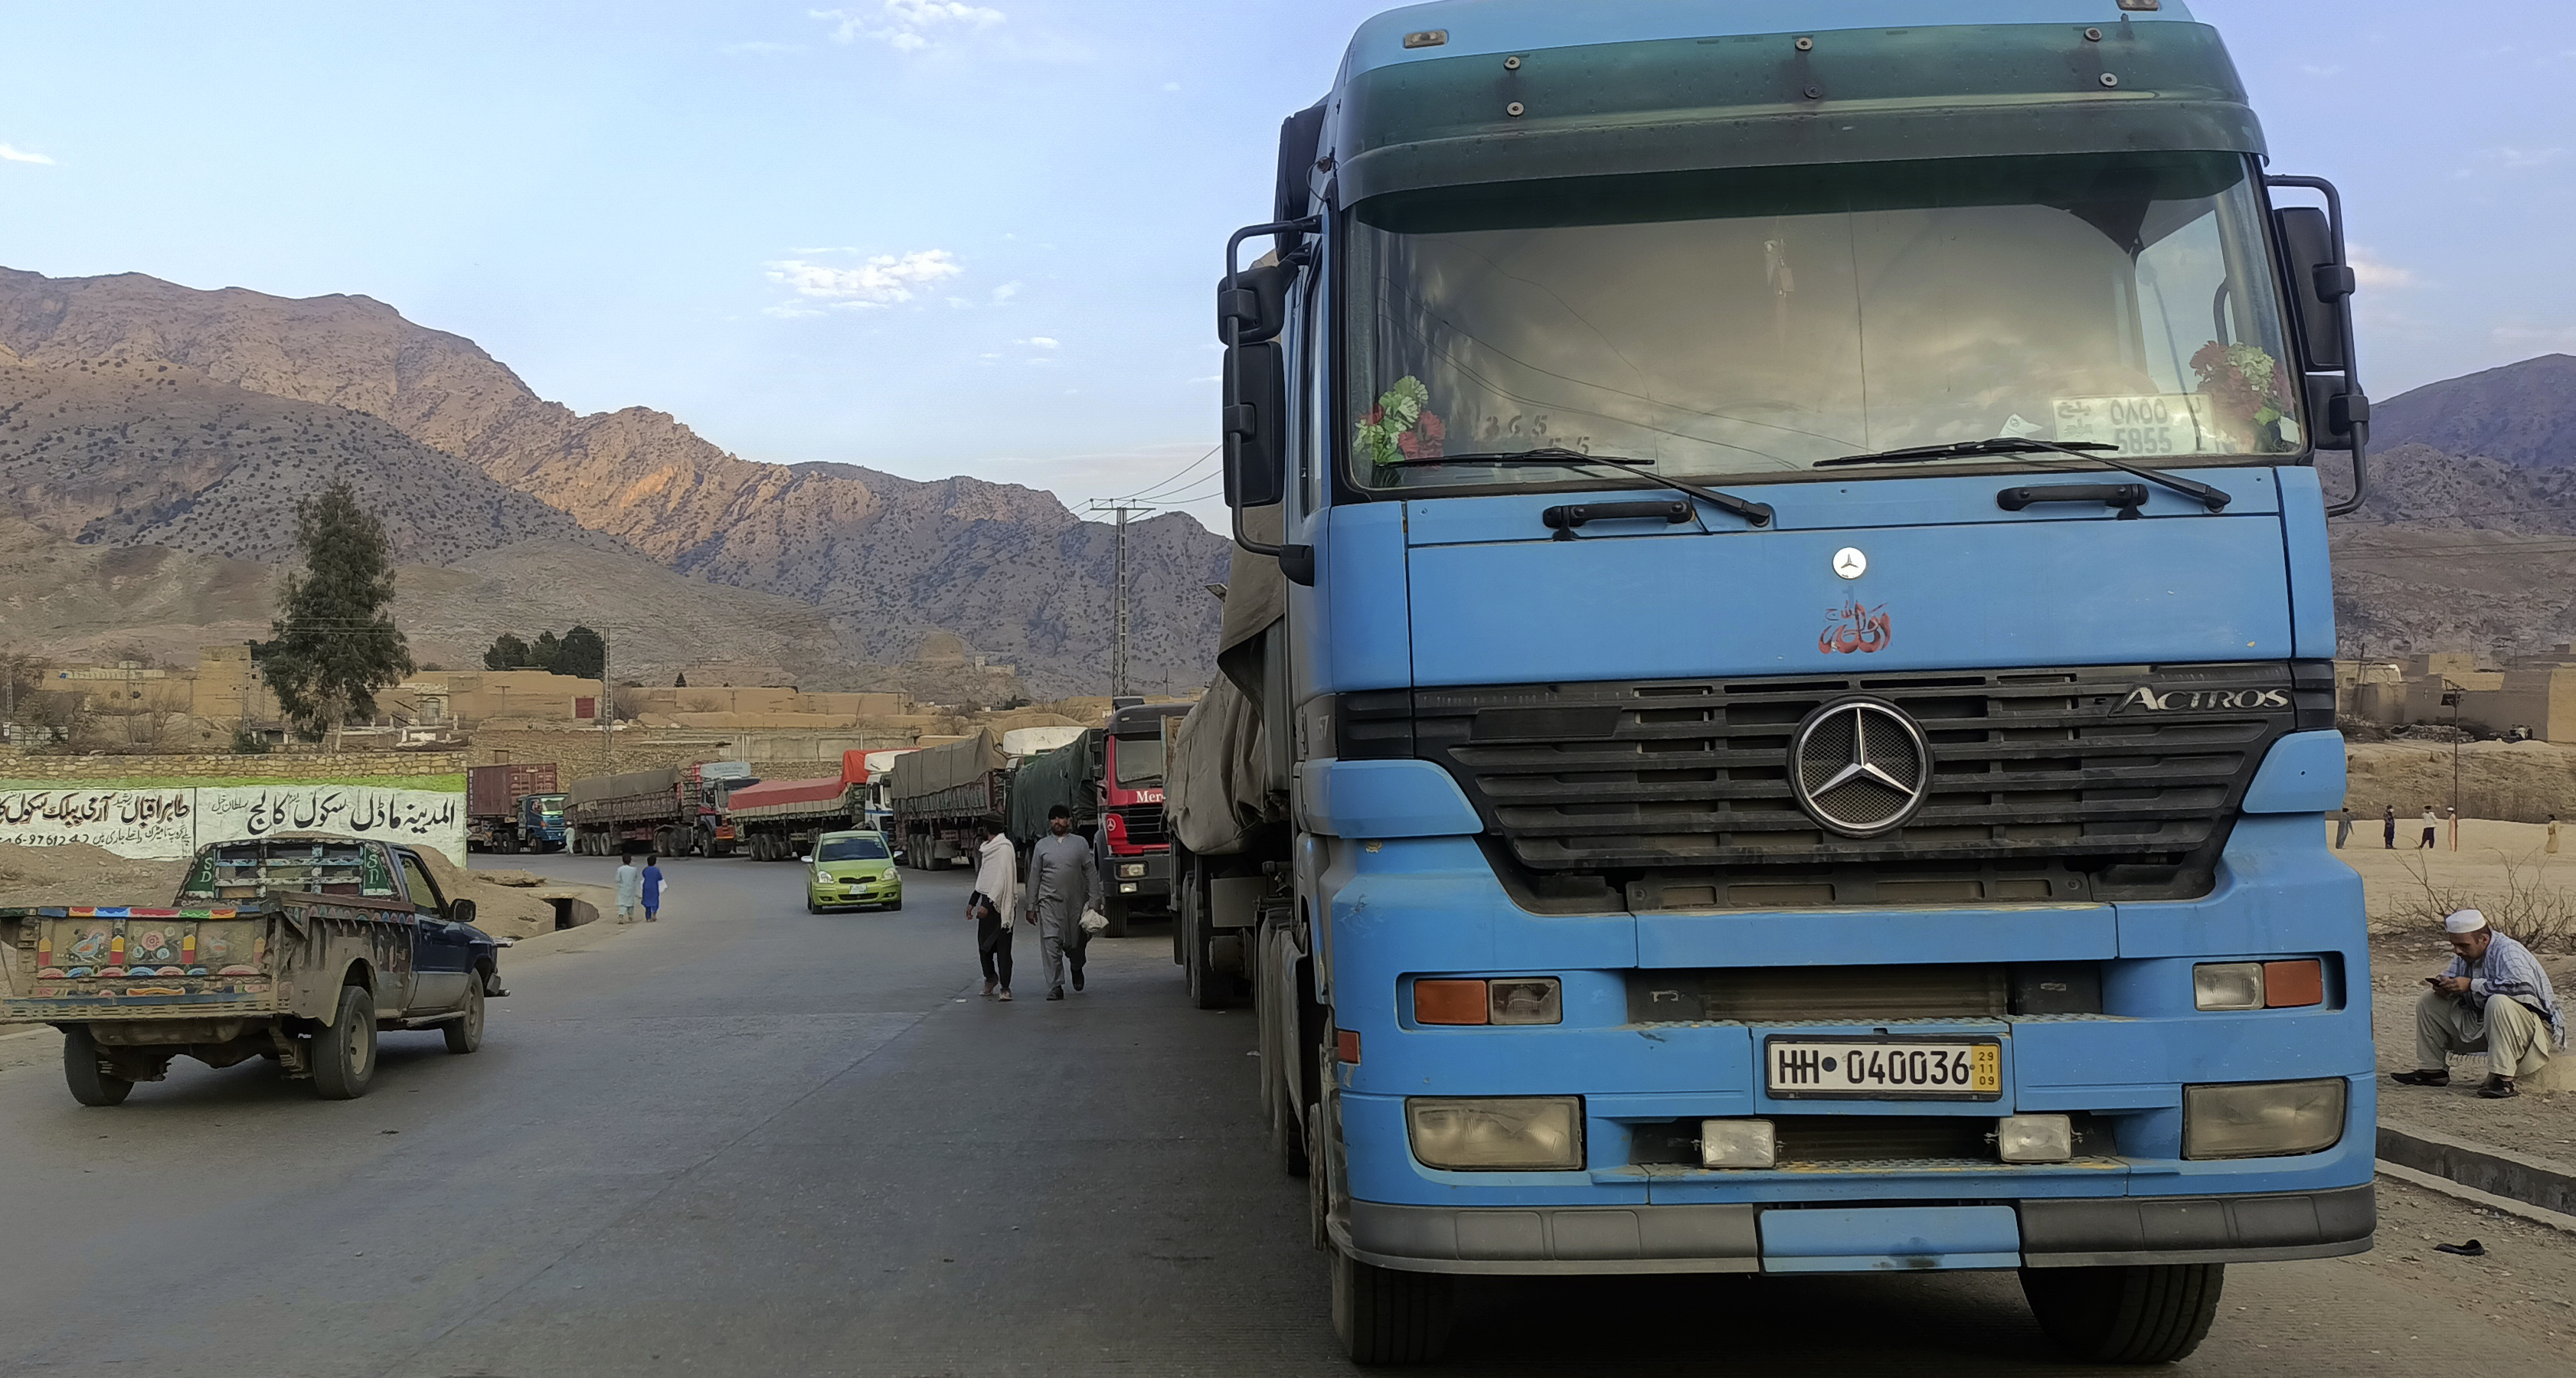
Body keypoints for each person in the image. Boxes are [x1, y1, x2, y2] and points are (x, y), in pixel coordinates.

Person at [2392, 908, 2565, 1099]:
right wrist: (2445, 984)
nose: (2458, 951)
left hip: (2533, 1031)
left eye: (2463, 946)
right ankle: (2432, 1071)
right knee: (2429, 1000)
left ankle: (2503, 1080)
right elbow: (2453, 975)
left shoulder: (2509, 951)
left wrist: (2471, 985)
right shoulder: (2467, 955)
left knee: (2498, 1001)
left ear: (2483, 939)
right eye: (2454, 945)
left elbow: (2522, 988)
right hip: (2491, 1024)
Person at [1028, 804, 1100, 1001]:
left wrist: (1095, 900)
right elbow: (1034, 876)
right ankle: (1055, 986)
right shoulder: (1041, 846)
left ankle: (1076, 967)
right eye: (1053, 819)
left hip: (1076, 903)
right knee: (1051, 942)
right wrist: (1031, 906)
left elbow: (1090, 872)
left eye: (1061, 818)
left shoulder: (1080, 843)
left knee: (1075, 944)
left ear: (1069, 821)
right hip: (1049, 903)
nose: (1057, 822)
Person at [969, 821, 1018, 1001]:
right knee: (984, 947)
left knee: (1003, 950)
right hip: (986, 903)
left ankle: (1005, 987)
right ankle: (990, 978)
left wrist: (988, 905)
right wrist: (973, 901)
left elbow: (1001, 880)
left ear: (988, 830)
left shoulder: (1004, 848)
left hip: (1002, 906)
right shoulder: (987, 849)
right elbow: (984, 877)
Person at [614, 852, 642, 923]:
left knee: (622, 903)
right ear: (631, 861)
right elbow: (635, 878)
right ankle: (630, 916)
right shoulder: (634, 869)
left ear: (623, 860)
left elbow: (618, 879)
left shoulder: (620, 869)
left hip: (622, 888)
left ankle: (621, 915)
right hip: (631, 888)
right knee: (630, 902)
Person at [641, 854, 665, 922]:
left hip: (646, 887)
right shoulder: (657, 870)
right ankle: (654, 912)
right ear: (655, 862)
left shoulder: (645, 870)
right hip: (654, 887)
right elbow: (660, 878)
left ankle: (648, 917)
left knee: (647, 901)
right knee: (655, 900)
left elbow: (643, 875)